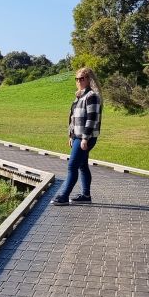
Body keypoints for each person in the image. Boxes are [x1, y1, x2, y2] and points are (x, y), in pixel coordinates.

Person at [52, 67, 102, 205]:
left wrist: (85, 138)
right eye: (77, 79)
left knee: (72, 166)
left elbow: (91, 119)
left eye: (82, 78)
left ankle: (63, 196)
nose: (79, 81)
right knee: (82, 166)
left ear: (89, 80)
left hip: (85, 137)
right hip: (77, 136)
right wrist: (70, 135)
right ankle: (86, 196)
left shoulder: (91, 96)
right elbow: (73, 118)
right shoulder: (79, 96)